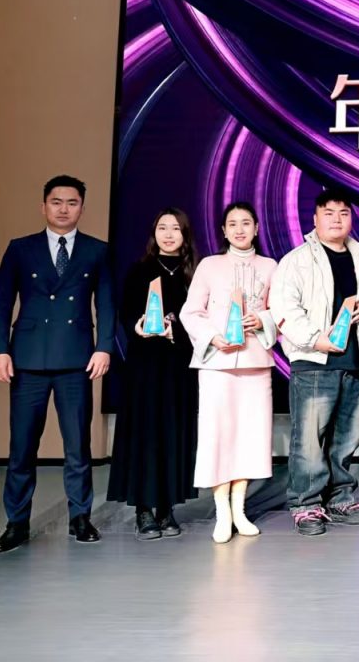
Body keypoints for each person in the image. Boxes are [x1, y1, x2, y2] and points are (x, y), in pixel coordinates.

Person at [0, 175, 115, 554]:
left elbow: (106, 303)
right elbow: (0, 303)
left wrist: (104, 348)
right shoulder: (20, 249)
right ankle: (16, 522)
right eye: (56, 202)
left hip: (76, 360)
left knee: (77, 445)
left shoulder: (97, 250)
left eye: (72, 202)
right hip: (27, 360)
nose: (63, 209)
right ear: (43, 206)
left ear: (82, 208)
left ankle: (80, 517)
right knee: (22, 446)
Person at [276, 189, 359, 537]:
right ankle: (305, 503)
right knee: (309, 438)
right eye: (329, 213)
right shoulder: (297, 260)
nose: (337, 219)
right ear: (315, 219)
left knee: (346, 437)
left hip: (354, 359)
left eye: (344, 213)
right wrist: (314, 339)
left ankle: (340, 499)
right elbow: (285, 307)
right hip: (314, 360)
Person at [180, 201, 279, 544]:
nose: (239, 229)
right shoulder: (209, 265)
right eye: (232, 223)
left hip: (255, 363)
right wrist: (212, 337)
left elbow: (280, 311)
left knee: (251, 436)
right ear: (223, 230)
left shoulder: (269, 266)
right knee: (218, 435)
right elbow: (191, 312)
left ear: (256, 228)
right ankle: (222, 510)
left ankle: (240, 509)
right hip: (217, 365)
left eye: (246, 223)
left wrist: (261, 319)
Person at [107, 208, 200, 540]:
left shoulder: (195, 273)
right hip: (145, 366)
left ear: (185, 235)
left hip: (179, 366)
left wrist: (178, 328)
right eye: (163, 227)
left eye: (176, 228)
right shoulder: (140, 270)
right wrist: (140, 324)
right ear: (154, 233)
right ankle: (143, 509)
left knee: (174, 432)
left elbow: (203, 316)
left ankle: (167, 508)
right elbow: (126, 312)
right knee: (145, 433)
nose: (169, 234)